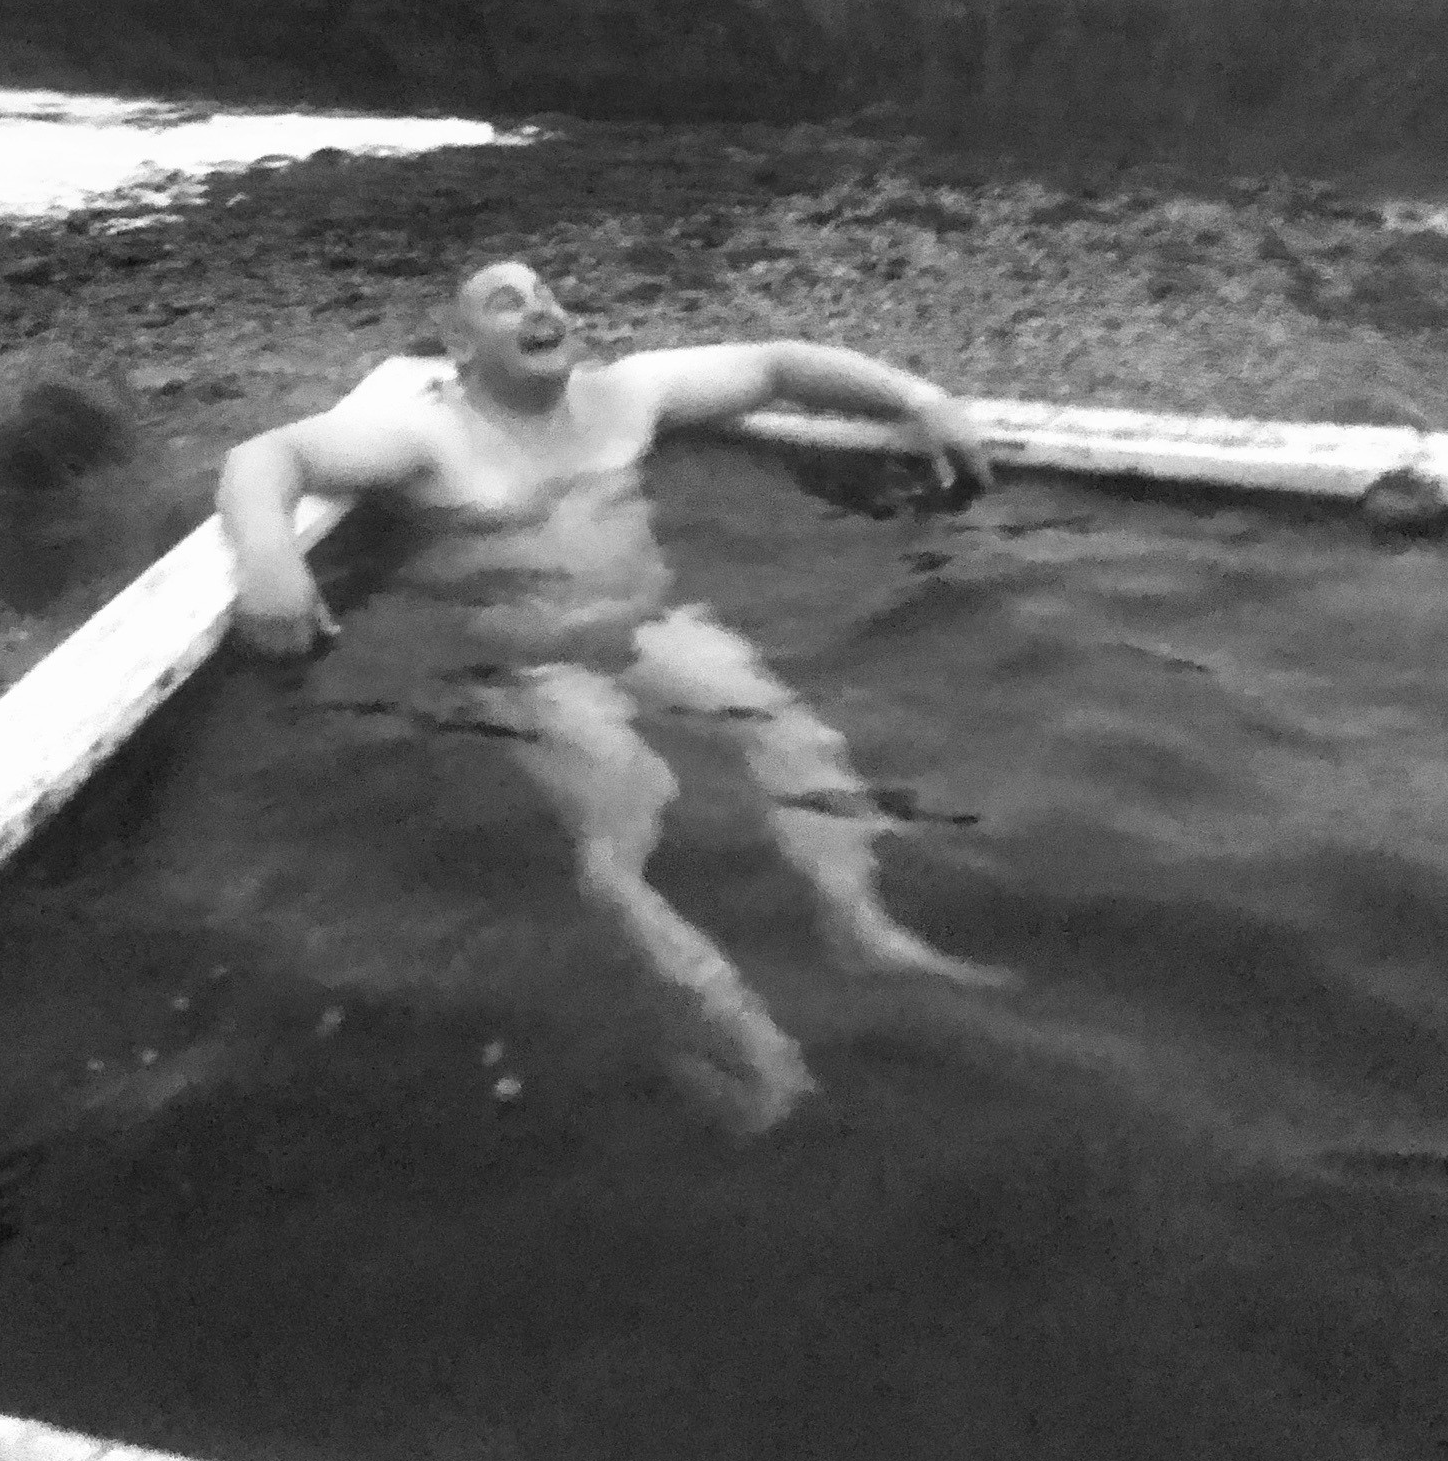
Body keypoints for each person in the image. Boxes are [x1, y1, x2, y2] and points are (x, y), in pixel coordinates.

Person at [219, 261, 1002, 1129]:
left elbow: (778, 365)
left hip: (652, 626)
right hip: (532, 666)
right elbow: (267, 455)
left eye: (546, 294)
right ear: (460, 346)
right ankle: (744, 1031)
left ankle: (863, 924)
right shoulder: (429, 435)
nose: (540, 308)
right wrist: (271, 561)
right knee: (629, 814)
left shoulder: (624, 398)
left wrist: (921, 398)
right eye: (507, 302)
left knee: (793, 736)